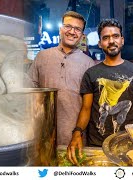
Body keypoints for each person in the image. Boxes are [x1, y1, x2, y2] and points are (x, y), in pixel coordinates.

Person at [67, 18, 133, 165]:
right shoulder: (91, 73)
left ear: (122, 40)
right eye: (106, 38)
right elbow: (86, 108)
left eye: (115, 36)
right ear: (100, 43)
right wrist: (77, 133)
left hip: (129, 144)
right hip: (98, 144)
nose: (111, 41)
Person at [28, 11, 96, 145]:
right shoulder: (42, 56)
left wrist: (78, 132)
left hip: (75, 137)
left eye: (77, 29)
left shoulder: (88, 63)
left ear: (82, 35)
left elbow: (88, 106)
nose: (72, 31)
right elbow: (30, 92)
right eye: (68, 26)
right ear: (60, 29)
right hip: (42, 134)